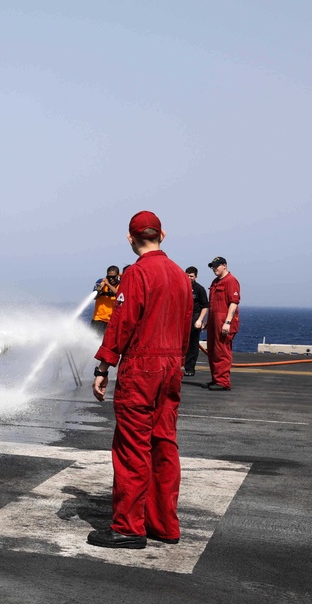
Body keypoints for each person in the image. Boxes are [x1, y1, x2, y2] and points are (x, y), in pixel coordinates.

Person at [88, 211, 192, 549]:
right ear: (163, 235)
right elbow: (186, 327)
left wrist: (104, 367)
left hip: (142, 368)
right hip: (171, 366)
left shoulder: (136, 274)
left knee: (132, 446)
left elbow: (122, 323)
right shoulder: (180, 275)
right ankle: (164, 524)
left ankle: (129, 528)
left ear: (130, 238)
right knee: (164, 443)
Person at [205, 256, 241, 391]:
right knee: (213, 351)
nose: (214, 268)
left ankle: (223, 382)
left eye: (216, 266)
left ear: (224, 265)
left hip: (223, 322)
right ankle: (216, 378)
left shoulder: (231, 281)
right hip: (214, 321)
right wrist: (208, 321)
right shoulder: (215, 282)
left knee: (222, 351)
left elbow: (234, 302)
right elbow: (213, 305)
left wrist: (227, 322)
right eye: (212, 266)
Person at [183, 266, 209, 376]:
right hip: (182, 318)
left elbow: (205, 306)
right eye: (187, 275)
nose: (189, 278)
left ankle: (190, 368)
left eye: (191, 276)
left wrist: (200, 320)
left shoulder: (199, 289)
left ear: (196, 277)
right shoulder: (180, 287)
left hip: (194, 317)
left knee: (192, 344)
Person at [90, 266, 120, 335]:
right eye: (109, 277)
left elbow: (118, 294)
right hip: (98, 319)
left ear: (117, 276)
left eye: (113, 277)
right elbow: (94, 297)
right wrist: (99, 291)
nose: (111, 279)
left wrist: (108, 284)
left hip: (112, 320)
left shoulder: (121, 284)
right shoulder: (100, 282)